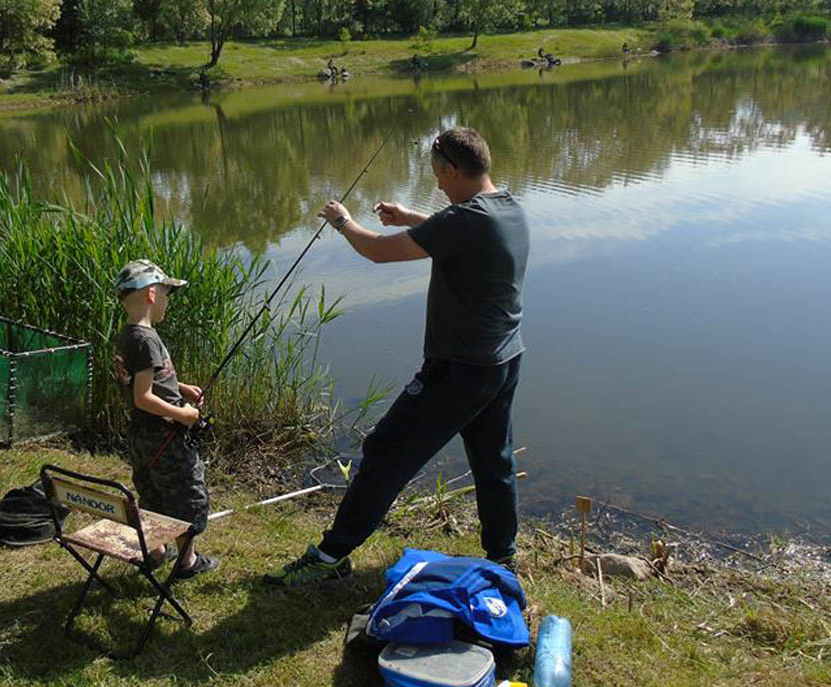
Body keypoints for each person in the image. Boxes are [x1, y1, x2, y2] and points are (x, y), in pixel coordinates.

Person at [265, 127, 529, 587]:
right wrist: (412, 218)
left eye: (438, 177)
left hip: (458, 369)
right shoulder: (507, 208)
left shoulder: (462, 221)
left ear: (451, 168)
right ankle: (503, 557)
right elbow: (459, 230)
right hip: (503, 362)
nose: (439, 185)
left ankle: (332, 555)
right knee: (494, 461)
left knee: (385, 451)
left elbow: (377, 253)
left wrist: (343, 221)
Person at [113, 259, 219, 580]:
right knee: (187, 496)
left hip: (141, 436)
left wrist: (181, 387)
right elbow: (142, 397)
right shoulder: (146, 340)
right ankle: (186, 562)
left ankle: (156, 549)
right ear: (149, 294)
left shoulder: (128, 336)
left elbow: (143, 382)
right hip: (164, 437)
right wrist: (184, 414)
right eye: (165, 292)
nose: (167, 299)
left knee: (153, 492)